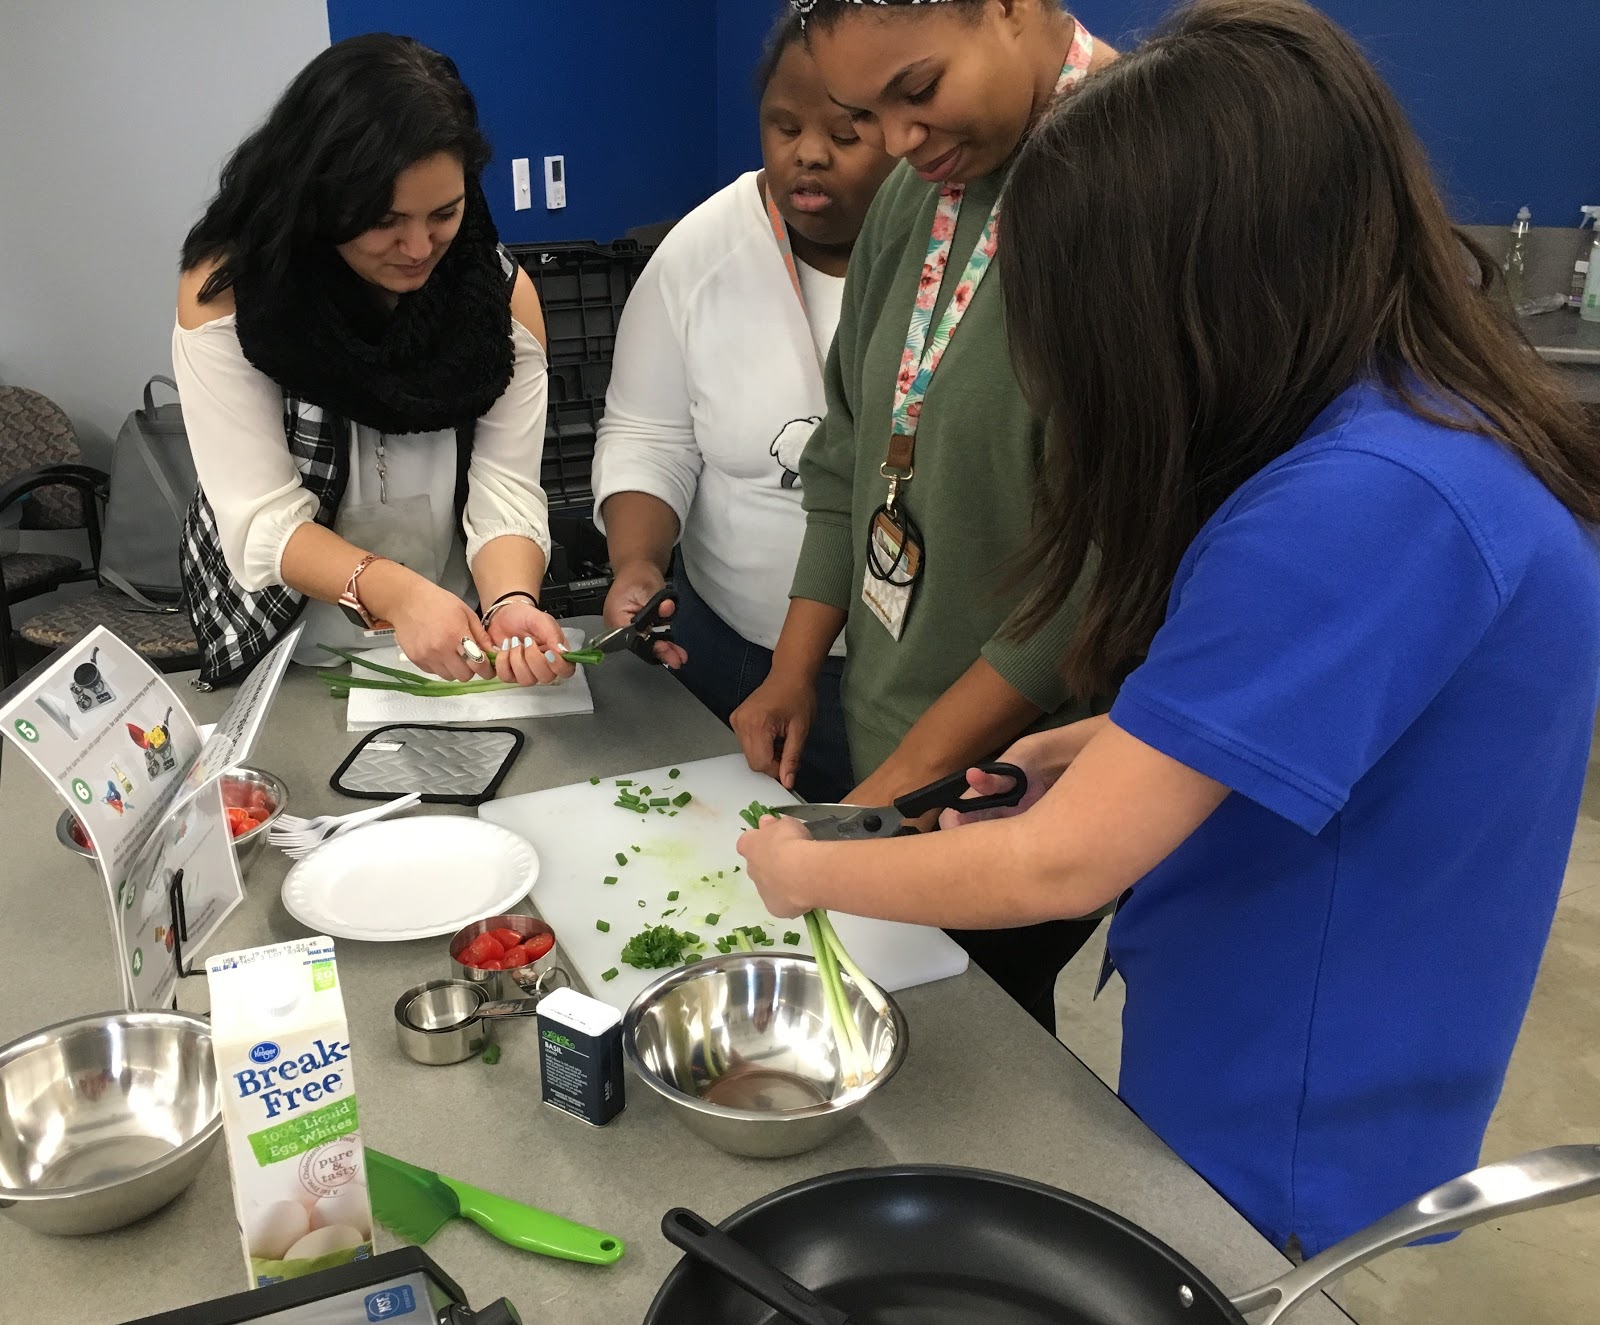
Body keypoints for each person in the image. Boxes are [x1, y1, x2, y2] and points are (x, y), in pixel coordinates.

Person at [739, 0, 1600, 1257]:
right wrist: (1097, 740)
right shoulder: (1409, 425)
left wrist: (804, 865)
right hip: (1279, 1021)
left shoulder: (1364, 504)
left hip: (1288, 1101)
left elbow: (1057, 868)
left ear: (1194, 283)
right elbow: (1326, 713)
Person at [730, 0, 1118, 1030]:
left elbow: (1086, 590)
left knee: (978, 1040)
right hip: (897, 735)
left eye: (917, 91)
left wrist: (894, 794)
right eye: (868, 111)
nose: (897, 143)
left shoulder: (1133, 184)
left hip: (1020, 768)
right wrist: (796, 665)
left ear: (1011, 9)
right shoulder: (919, 192)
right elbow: (853, 446)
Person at [175, 34, 574, 692]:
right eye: (386, 220)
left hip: (448, 619)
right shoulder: (233, 294)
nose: (418, 247)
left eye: (444, 213)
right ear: (320, 197)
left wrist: (510, 602)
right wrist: (394, 593)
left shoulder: (498, 300)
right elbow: (261, 517)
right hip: (286, 626)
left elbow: (506, 494)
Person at [591, 13, 895, 804]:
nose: (808, 153)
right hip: (731, 656)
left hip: (913, 682)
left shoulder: (953, 256)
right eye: (783, 126)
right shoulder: (700, 252)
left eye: (845, 131)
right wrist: (637, 562)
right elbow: (648, 434)